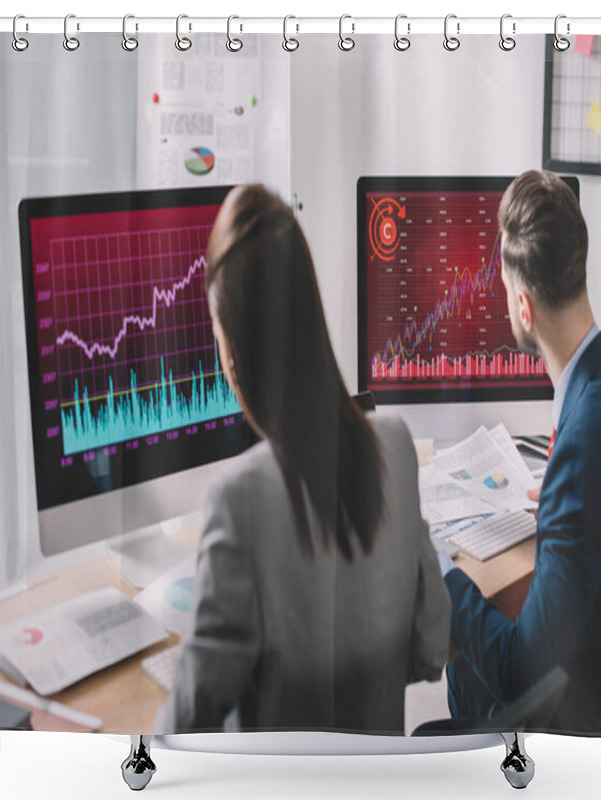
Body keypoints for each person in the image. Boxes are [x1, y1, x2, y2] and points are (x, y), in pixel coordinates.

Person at [157, 184, 450, 735]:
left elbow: (184, 727)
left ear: (232, 345)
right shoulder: (394, 446)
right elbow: (432, 647)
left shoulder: (238, 501)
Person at [439, 170, 601, 734]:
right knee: (464, 677)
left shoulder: (580, 451)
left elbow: (522, 673)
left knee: (470, 675)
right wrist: (562, 482)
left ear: (524, 309)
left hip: (590, 709)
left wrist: (443, 575)